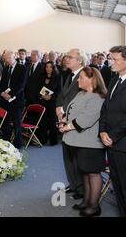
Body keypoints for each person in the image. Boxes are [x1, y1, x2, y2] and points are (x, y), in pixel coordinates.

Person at [59, 67, 106, 217]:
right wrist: (63, 120)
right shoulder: (81, 93)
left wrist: (67, 127)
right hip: (78, 141)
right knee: (84, 172)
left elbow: (86, 119)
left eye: (81, 77)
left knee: (93, 173)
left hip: (91, 143)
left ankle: (94, 205)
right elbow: (71, 111)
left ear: (91, 79)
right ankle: (87, 200)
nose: (78, 80)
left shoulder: (97, 97)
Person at [56, 49, 87, 199]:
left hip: (75, 121)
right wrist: (58, 109)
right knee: (67, 154)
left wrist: (65, 114)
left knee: (76, 156)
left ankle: (81, 188)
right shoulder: (69, 75)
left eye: (70, 57)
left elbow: (84, 99)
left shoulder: (86, 74)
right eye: (66, 56)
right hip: (64, 118)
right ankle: (73, 184)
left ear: (79, 60)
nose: (66, 59)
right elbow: (62, 95)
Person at [99, 45, 126, 216]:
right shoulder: (114, 79)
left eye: (115, 59)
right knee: (118, 186)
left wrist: (112, 136)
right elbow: (105, 109)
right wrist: (102, 131)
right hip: (110, 141)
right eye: (110, 59)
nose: (111, 63)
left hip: (122, 143)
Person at [0, 50, 26, 149]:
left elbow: (21, 84)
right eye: (6, 59)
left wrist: (11, 95)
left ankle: (18, 144)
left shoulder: (22, 68)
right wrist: (2, 93)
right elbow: (2, 84)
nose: (8, 60)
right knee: (5, 123)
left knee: (17, 123)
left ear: (14, 57)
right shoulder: (6, 68)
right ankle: (6, 143)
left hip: (16, 101)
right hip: (5, 101)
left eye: (9, 58)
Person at [38, 61, 60, 145]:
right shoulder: (41, 77)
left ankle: (53, 141)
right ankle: (43, 140)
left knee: (52, 121)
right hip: (43, 101)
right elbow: (38, 88)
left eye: (50, 67)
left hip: (52, 102)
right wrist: (42, 96)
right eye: (47, 67)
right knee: (43, 121)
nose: (48, 68)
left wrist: (51, 96)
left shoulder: (57, 77)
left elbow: (59, 90)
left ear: (53, 68)